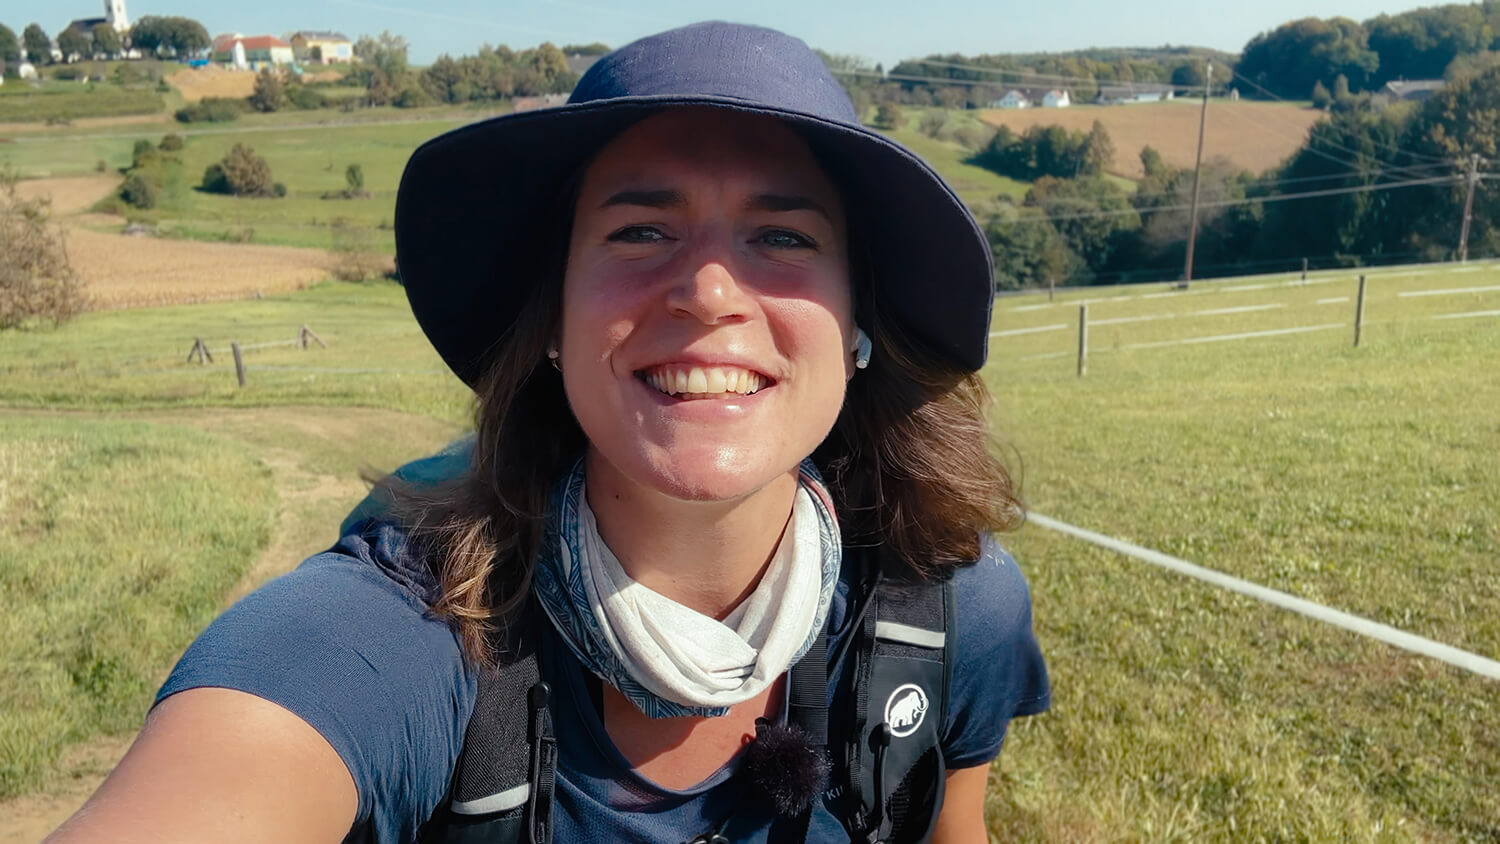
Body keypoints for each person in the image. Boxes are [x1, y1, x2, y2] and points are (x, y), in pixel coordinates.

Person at [47, 21, 1048, 844]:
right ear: (557, 326)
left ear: (859, 322)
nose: (706, 291)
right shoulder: (411, 627)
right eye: (640, 230)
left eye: (783, 237)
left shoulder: (952, 612)